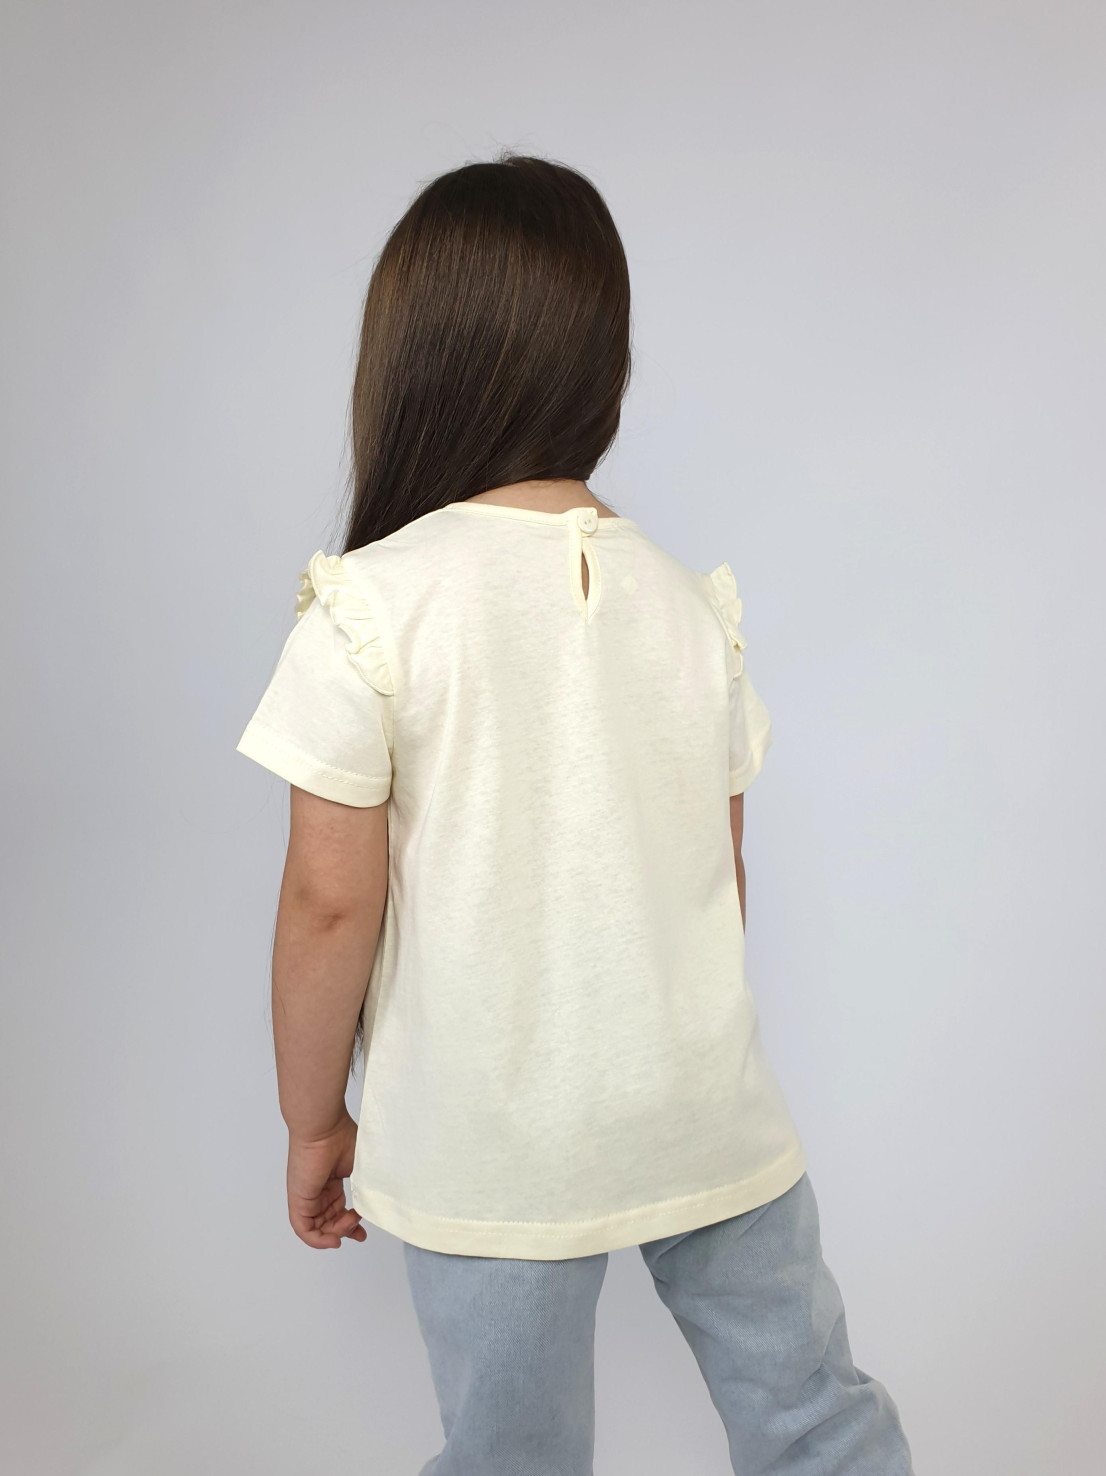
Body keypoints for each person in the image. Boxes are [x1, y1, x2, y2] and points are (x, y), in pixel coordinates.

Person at [237, 151, 916, 1476]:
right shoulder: (686, 603)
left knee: (514, 1455)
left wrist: (314, 1120)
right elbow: (719, 880)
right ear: (602, 362)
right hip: (703, 1110)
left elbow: (327, 903)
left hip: (492, 1142)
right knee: (814, 1420)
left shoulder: (371, 609)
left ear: (413, 362)